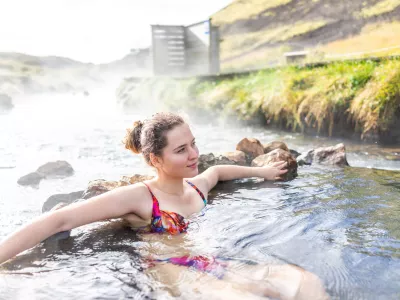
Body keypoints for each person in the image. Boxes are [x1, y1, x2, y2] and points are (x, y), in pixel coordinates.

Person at [0, 112, 329, 299]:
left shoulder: (197, 186)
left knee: (305, 283)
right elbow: (59, 220)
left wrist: (264, 172)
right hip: (171, 269)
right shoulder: (140, 197)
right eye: (181, 150)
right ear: (155, 159)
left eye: (194, 143)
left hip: (208, 261)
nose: (194, 155)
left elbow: (219, 171)